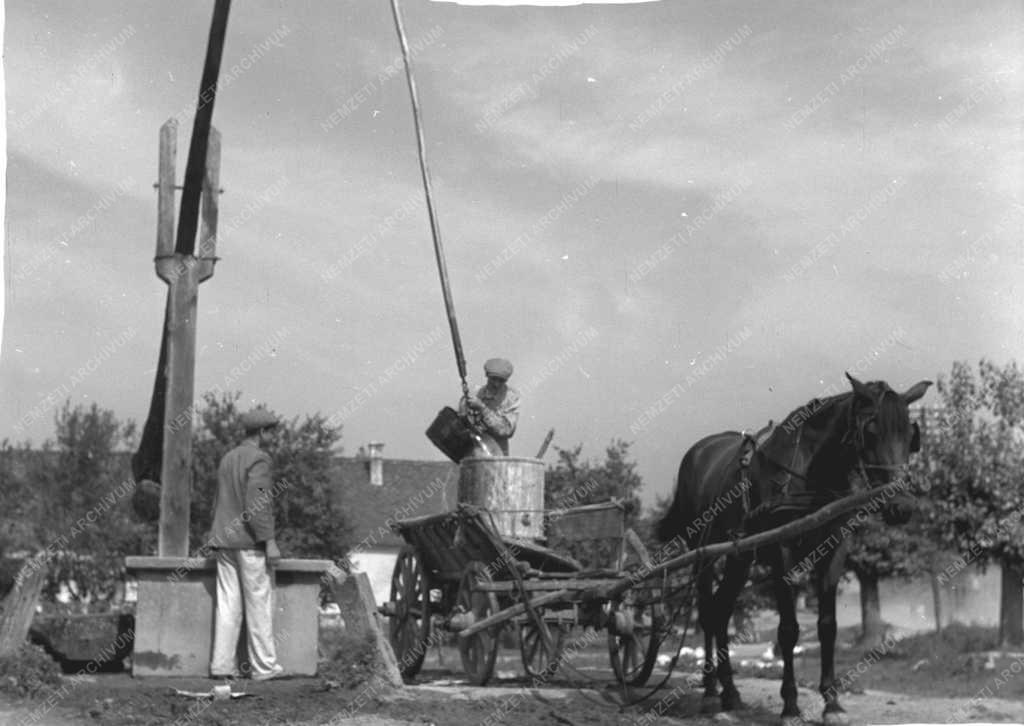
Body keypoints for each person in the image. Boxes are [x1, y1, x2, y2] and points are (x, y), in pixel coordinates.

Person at [209, 407, 285, 681]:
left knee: (228, 604)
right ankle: (264, 667)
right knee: (259, 604)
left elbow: (220, 500)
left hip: (223, 540)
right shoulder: (259, 459)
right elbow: (258, 503)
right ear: (263, 432)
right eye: (271, 432)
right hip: (249, 542)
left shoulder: (228, 458)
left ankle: (221, 666)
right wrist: (270, 541)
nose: (271, 438)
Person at [461, 357, 520, 456]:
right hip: (473, 454)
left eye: (501, 380)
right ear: (487, 375)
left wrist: (482, 408)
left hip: (497, 456)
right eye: (493, 379)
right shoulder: (475, 393)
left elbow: (506, 430)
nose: (496, 384)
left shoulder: (511, 398)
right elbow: (461, 422)